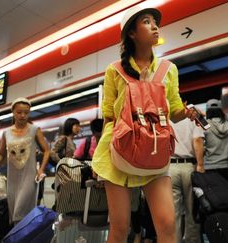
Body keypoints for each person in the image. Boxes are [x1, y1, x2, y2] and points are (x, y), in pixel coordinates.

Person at [91, 6, 197, 243]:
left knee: (167, 225)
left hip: (154, 150)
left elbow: (175, 110)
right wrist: (101, 156)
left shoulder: (169, 70)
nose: (155, 26)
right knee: (119, 229)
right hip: (118, 152)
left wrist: (187, 113)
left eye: (155, 23)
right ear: (132, 33)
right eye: (147, 22)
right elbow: (109, 117)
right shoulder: (114, 71)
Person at [0, 97, 50, 224]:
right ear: (13, 112)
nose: (23, 115)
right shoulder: (6, 133)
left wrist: (41, 170)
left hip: (29, 177)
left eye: (26, 112)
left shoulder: (35, 130)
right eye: (19, 112)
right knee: (14, 211)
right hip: (12, 178)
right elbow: (0, 155)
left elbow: (47, 150)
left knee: (19, 211)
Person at [170, 118, 204, 243]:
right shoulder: (192, 115)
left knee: (174, 212)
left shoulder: (166, 114)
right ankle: (192, 240)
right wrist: (200, 164)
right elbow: (197, 139)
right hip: (189, 167)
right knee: (192, 209)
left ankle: (175, 240)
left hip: (170, 168)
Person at [203, 99, 228, 186]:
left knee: (214, 198)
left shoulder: (204, 126)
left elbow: (201, 147)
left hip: (210, 168)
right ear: (221, 111)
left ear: (207, 111)